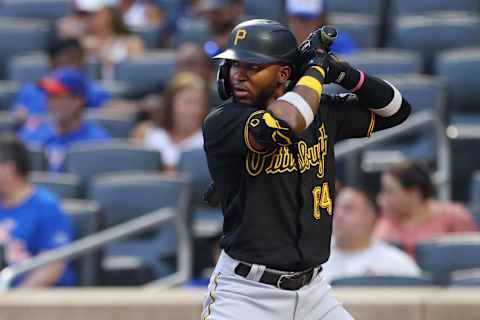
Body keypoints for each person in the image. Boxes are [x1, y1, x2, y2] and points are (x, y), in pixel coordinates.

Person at [201, 19, 411, 319]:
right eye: (235, 65)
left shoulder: (322, 111)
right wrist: (315, 70)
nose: (239, 75)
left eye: (253, 67)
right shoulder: (223, 121)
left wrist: (342, 73)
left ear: (284, 74)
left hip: (313, 292)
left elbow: (397, 110)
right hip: (246, 294)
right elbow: (287, 121)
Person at [0, 134, 75, 287]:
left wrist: (15, 300)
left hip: (41, 302)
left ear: (8, 167)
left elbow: (53, 266)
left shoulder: (45, 206)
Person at [375, 161, 477, 257]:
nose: (381, 199)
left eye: (389, 192)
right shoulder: (383, 226)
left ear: (414, 194)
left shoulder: (455, 218)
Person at [19, 67, 110, 172]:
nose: (50, 102)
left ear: (78, 101)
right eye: (49, 96)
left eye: (56, 96)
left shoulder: (97, 141)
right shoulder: (32, 132)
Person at [322, 187, 421, 283]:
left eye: (348, 209)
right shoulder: (312, 260)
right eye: (335, 208)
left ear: (371, 217)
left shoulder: (397, 264)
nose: (338, 215)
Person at [11, 38, 112, 125]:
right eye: (67, 60)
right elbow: (19, 114)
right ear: (52, 63)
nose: (72, 66)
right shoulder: (33, 89)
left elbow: (113, 109)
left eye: (76, 60)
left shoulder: (88, 89)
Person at [134, 72, 208, 171]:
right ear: (170, 104)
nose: (195, 110)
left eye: (199, 103)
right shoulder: (146, 133)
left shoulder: (209, 140)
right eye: (188, 102)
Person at [82, 5, 145, 79]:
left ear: (113, 19)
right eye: (96, 16)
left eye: (100, 15)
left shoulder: (132, 42)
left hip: (124, 81)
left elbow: (137, 67)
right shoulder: (88, 42)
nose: (95, 19)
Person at [286, 0, 358, 54]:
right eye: (296, 19)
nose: (299, 26)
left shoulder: (341, 44)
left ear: (321, 20)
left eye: (306, 20)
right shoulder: (283, 45)